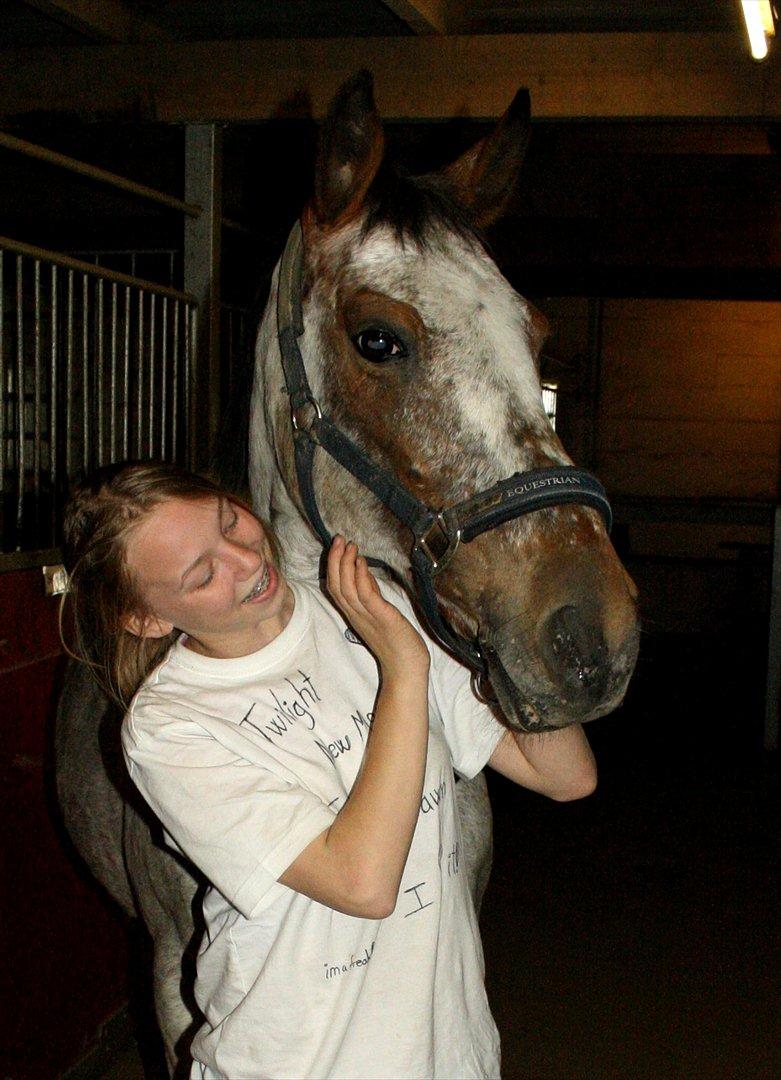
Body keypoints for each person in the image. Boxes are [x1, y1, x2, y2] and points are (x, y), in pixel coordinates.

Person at [62, 461, 597, 1080]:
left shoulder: (370, 605)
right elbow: (362, 883)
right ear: (148, 619)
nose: (245, 560)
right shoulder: (170, 728)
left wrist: (510, 624)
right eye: (203, 574)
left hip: (450, 1051)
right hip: (300, 1061)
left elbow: (566, 774)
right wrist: (403, 666)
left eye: (228, 521)